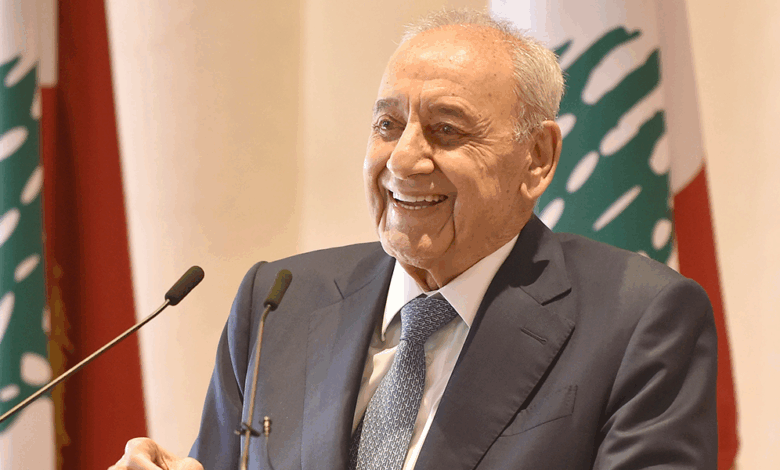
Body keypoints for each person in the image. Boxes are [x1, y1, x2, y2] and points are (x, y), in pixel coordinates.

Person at [110, 9, 717, 470]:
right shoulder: (280, 301)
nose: (403, 159)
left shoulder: (639, 323)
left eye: (446, 130)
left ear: (536, 157)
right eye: (387, 125)